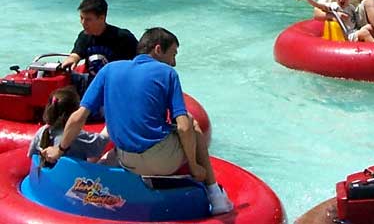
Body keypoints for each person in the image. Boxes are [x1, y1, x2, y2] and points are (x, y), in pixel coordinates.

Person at [42, 27, 233, 215]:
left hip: (127, 159)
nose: (173, 63)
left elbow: (78, 117)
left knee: (116, 151)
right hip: (162, 160)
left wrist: (59, 151)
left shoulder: (109, 70)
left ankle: (93, 186)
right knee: (191, 122)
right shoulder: (168, 74)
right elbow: (183, 126)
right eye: (173, 54)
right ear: (158, 49)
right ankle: (216, 196)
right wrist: (194, 166)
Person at [61, 0, 138, 76]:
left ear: (102, 18)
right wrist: (72, 59)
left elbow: (142, 60)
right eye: (81, 18)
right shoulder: (84, 36)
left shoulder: (123, 37)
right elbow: (76, 54)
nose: (83, 23)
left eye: (88, 19)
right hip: (92, 82)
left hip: (116, 83)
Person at [28, 86, 109, 162]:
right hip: (72, 176)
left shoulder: (42, 131)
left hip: (48, 175)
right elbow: (102, 142)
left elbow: (31, 156)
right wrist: (112, 120)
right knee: (110, 155)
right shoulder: (77, 136)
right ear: (74, 114)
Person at [294, 0, 374, 42]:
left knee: (369, 27)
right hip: (347, 36)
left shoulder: (351, 7)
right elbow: (318, 5)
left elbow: (358, 21)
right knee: (364, 33)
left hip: (355, 31)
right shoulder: (334, 7)